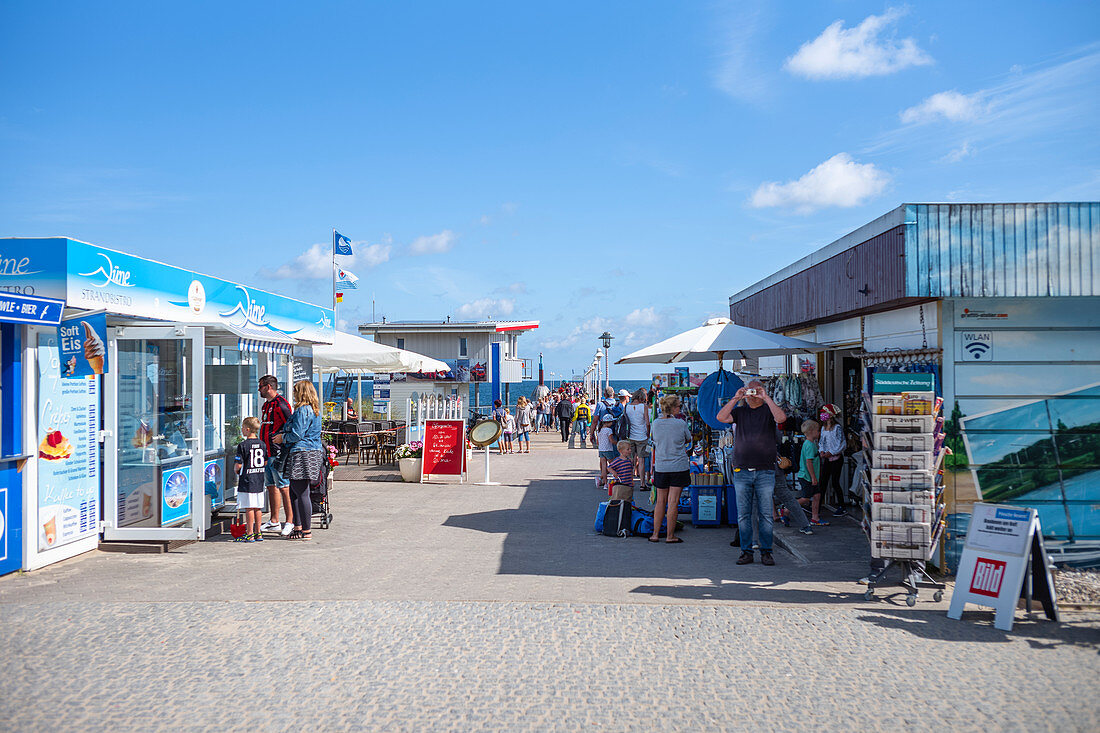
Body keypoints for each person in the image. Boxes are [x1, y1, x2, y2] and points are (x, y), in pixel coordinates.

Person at [716, 379, 786, 566]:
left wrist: (766, 397)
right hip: (742, 470)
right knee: (744, 514)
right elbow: (721, 417)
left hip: (765, 470)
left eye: (756, 391)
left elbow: (781, 419)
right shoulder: (740, 412)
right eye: (750, 391)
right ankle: (746, 551)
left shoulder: (768, 411)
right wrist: (735, 397)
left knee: (765, 514)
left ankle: (766, 552)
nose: (752, 395)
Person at [272, 380, 323, 541]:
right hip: (311, 451)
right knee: (295, 491)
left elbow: (297, 434)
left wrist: (282, 437)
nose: (293, 394)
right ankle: (299, 526)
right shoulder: (314, 410)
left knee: (301, 492)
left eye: (295, 391)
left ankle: (306, 530)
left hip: (302, 452)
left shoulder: (302, 410)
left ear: (301, 392)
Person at [649, 393, 692, 544]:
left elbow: (653, 439)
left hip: (661, 466)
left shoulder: (655, 423)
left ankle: (655, 534)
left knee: (660, 501)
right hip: (678, 466)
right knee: (673, 502)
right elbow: (688, 439)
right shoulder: (681, 424)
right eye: (679, 406)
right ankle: (670, 535)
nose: (680, 408)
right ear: (673, 408)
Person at [258, 375, 294, 537]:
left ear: (268, 387)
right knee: (271, 486)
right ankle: (274, 520)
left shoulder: (281, 404)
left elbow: (291, 426)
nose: (259, 390)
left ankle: (290, 521)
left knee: (284, 487)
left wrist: (283, 440)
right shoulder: (266, 405)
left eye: (261, 387)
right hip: (267, 453)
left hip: (279, 453)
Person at [233, 417, 267, 543]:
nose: (241, 430)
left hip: (247, 480)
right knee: (258, 507)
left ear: (247, 430)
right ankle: (259, 533)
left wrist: (236, 470)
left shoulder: (243, 445)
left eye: (242, 428)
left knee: (249, 508)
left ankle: (249, 533)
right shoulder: (262, 444)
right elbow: (265, 461)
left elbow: (239, 465)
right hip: (259, 479)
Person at [797, 420, 830, 527]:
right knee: (806, 497)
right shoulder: (809, 445)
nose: (819, 433)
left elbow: (812, 458)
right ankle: (786, 509)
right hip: (808, 476)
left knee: (817, 495)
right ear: (811, 431)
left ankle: (815, 517)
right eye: (818, 430)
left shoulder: (810, 444)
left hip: (810, 476)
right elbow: (808, 462)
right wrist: (813, 478)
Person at [818, 404, 847, 516]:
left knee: (835, 482)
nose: (822, 415)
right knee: (823, 483)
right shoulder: (823, 428)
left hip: (836, 459)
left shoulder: (837, 428)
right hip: (827, 458)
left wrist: (832, 452)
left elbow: (842, 443)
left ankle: (842, 506)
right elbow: (822, 442)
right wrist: (822, 451)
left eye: (824, 413)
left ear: (831, 415)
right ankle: (817, 507)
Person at [624, 388, 651, 489]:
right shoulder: (643, 406)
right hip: (642, 436)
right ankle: (642, 484)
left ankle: (629, 482)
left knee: (631, 460)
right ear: (642, 397)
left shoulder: (627, 407)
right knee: (642, 460)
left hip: (630, 436)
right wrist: (648, 433)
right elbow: (647, 423)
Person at [595, 413, 617, 489]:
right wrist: (617, 443)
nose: (612, 424)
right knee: (613, 465)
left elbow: (597, 442)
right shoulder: (609, 430)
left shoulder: (599, 430)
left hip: (601, 450)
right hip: (608, 449)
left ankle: (605, 483)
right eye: (611, 422)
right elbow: (611, 440)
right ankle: (616, 478)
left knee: (603, 467)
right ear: (608, 422)